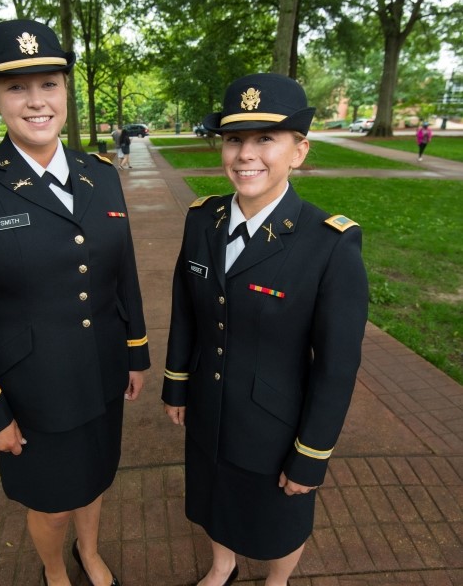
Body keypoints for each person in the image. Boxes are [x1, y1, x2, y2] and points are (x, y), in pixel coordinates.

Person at [0, 19, 150, 586]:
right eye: (17, 87)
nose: (36, 101)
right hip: (30, 386)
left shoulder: (101, 175)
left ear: (66, 91)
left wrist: (136, 350)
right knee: (50, 500)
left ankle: (89, 553)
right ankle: (55, 571)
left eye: (48, 83)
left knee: (95, 477)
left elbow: (123, 270)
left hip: (101, 368)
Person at [162, 73, 368, 586]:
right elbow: (185, 309)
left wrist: (311, 454)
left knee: (280, 521)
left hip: (275, 427)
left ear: (298, 151)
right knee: (213, 501)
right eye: (234, 139)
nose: (245, 155)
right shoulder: (201, 220)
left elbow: (338, 366)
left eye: (265, 139)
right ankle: (222, 564)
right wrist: (177, 384)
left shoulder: (329, 245)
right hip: (209, 412)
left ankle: (276, 582)